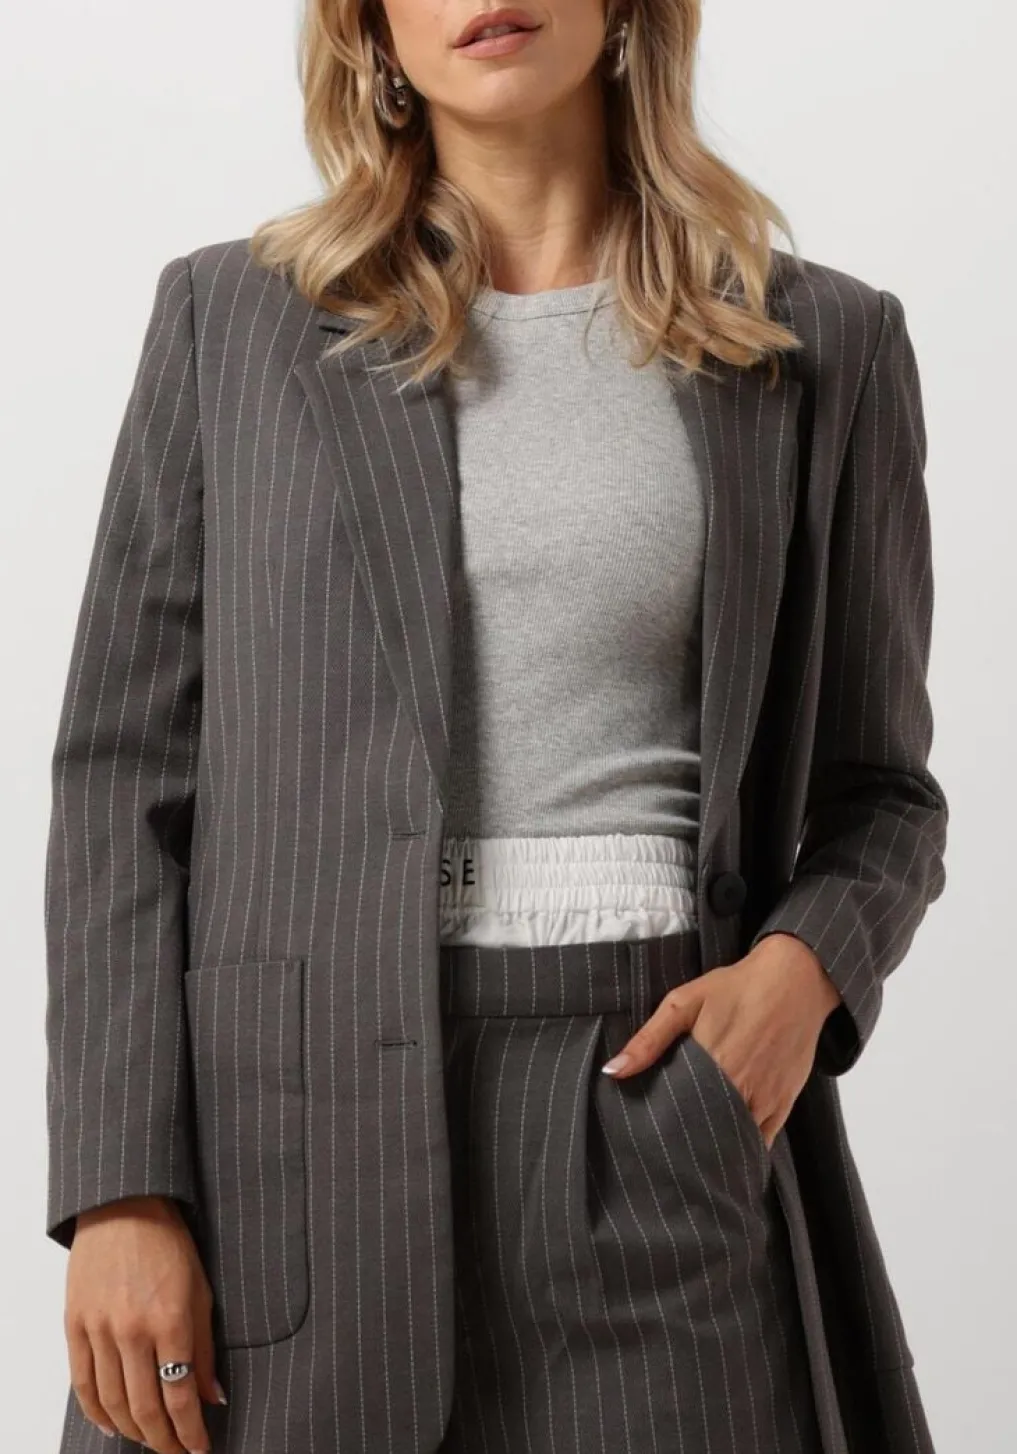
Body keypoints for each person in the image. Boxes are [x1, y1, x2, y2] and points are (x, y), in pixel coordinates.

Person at [43, 1, 949, 1451]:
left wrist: (800, 975)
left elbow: (883, 793)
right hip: (290, 1157)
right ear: (368, 24)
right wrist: (122, 1188)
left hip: (660, 1126)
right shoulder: (230, 325)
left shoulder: (821, 345)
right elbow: (122, 778)